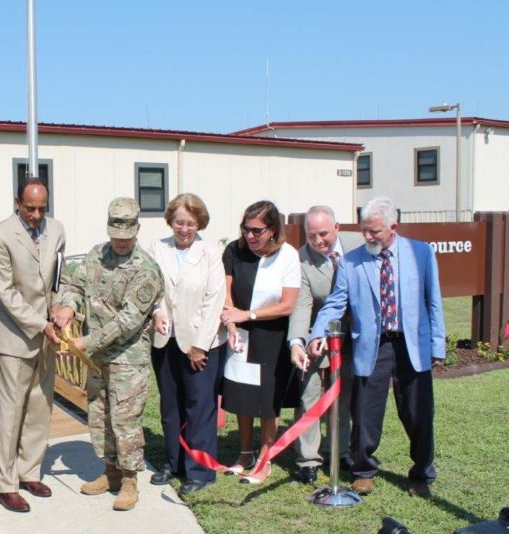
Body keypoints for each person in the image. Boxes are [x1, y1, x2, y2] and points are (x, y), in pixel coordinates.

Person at [308, 197, 445, 498]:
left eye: (375, 231)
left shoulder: (420, 253)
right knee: (365, 412)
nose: (368, 237)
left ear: (393, 227)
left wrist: (437, 346)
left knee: (418, 413)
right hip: (373, 345)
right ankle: (364, 471)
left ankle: (422, 474)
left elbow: (433, 301)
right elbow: (335, 303)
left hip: (412, 347)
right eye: (364, 231)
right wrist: (317, 333)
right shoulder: (351, 261)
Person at [54, 197, 164, 511]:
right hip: (97, 358)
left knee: (125, 420)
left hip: (127, 358)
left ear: (137, 231)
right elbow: (75, 285)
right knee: (100, 415)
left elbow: (129, 321)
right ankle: (111, 472)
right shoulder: (95, 256)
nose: (119, 242)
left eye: (126, 238)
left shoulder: (146, 270)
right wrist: (67, 308)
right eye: (115, 236)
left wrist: (88, 342)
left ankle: (130, 480)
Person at [0, 176, 65, 513]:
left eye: (41, 208)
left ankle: (29, 471)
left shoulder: (57, 229)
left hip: (47, 335)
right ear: (17, 202)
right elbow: (5, 292)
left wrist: (62, 308)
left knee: (38, 408)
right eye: (30, 208)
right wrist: (41, 323)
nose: (36, 215)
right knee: (9, 412)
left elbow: (60, 278)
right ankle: (5, 483)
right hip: (15, 336)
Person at [148, 193, 225, 495]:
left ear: (199, 224)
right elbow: (152, 289)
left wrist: (200, 345)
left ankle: (200, 470)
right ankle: (173, 462)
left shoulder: (211, 252)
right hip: (165, 339)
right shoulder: (157, 248)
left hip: (200, 343)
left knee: (199, 406)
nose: (184, 229)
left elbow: (214, 300)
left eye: (190, 224)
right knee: (170, 405)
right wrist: (157, 313)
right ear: (171, 221)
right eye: (179, 222)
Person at [220, 200, 300, 484]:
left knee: (267, 401)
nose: (250, 236)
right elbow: (226, 292)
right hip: (240, 333)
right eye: (246, 229)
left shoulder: (288, 256)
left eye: (257, 231)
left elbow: (287, 305)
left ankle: (265, 459)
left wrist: (249, 314)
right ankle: (245, 454)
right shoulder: (233, 250)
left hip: (272, 336)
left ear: (273, 229)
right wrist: (231, 320)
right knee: (242, 395)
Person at [287, 206, 363, 484]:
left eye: (323, 234)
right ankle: (308, 459)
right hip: (315, 335)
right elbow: (302, 305)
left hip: (350, 336)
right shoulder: (301, 259)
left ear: (337, 228)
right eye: (311, 235)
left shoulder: (358, 246)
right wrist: (298, 342)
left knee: (342, 398)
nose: (318, 241)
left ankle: (340, 451)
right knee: (309, 395)